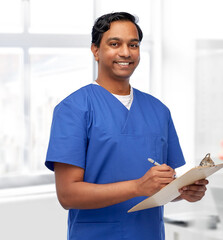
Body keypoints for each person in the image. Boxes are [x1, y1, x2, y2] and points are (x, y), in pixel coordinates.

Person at [45, 12, 209, 240]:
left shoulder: (158, 110)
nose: (125, 52)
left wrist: (184, 192)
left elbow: (160, 188)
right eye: (114, 44)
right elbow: (68, 195)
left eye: (133, 44)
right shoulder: (73, 109)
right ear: (95, 50)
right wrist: (137, 187)